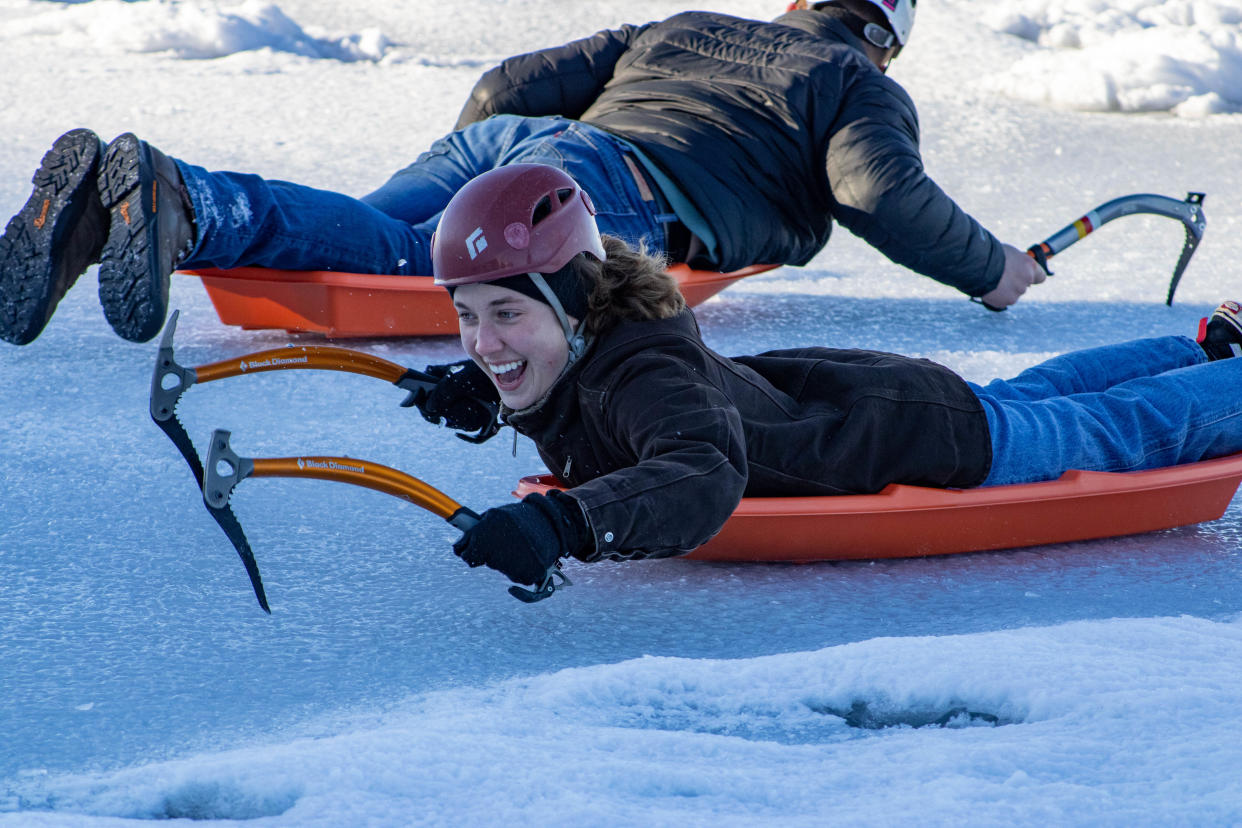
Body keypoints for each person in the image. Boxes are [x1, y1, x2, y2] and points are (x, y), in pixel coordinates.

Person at [0, 0, 1045, 346]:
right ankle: (183, 197)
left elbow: (512, 81)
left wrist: (486, 168)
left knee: (362, 235)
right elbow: (878, 193)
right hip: (607, 183)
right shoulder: (854, 84)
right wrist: (990, 268)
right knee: (419, 266)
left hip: (514, 143)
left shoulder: (683, 25)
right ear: (885, 38)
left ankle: (108, 206)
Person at [411, 164, 1242, 592]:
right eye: (468, 315)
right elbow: (583, 395)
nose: (483, 338)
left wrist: (567, 525)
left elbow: (700, 470)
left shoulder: (643, 375)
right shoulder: (600, 339)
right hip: (870, 397)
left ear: (572, 300)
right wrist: (490, 384)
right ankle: (1210, 345)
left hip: (916, 438)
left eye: (508, 314)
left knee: (1111, 430)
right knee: (1035, 395)